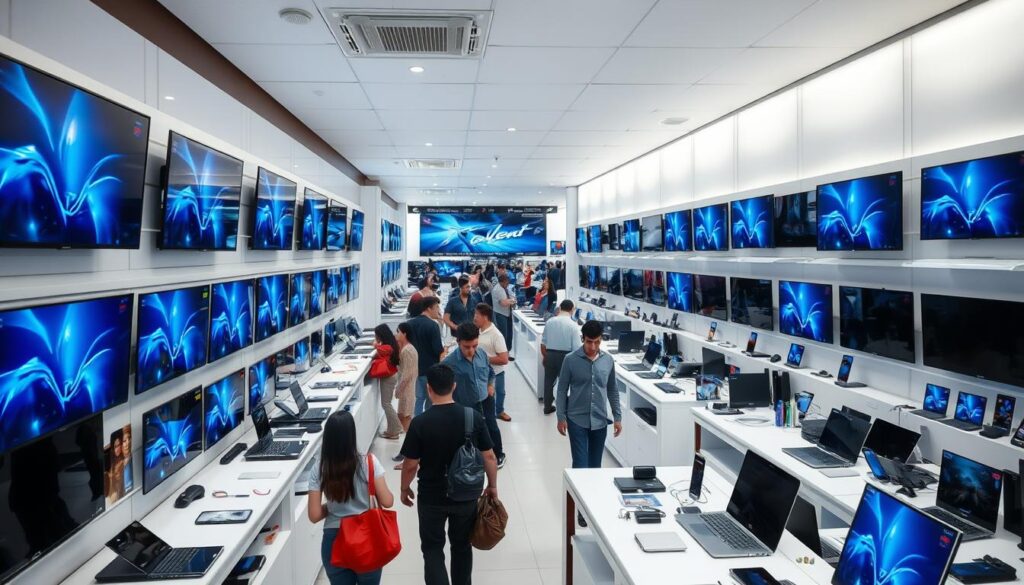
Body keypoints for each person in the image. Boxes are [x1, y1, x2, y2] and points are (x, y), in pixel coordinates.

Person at [400, 364, 499, 585]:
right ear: (454, 386)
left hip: (431, 496)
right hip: (465, 495)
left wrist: (404, 488)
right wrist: (492, 485)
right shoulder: (472, 417)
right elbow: (490, 456)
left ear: (428, 388)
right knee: (462, 545)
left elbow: (410, 465)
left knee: (433, 548)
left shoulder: (420, 423)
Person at [308, 411, 394, 585]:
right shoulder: (369, 462)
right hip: (367, 538)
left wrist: (331, 507)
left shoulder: (320, 467)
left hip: (334, 539)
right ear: (352, 435)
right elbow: (387, 501)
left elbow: (314, 515)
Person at [556, 320, 621, 481]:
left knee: (595, 466)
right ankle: (577, 504)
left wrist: (617, 417)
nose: (593, 347)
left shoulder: (608, 360)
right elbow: (562, 389)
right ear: (582, 338)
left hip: (600, 420)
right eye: (589, 342)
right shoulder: (570, 360)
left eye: (597, 342)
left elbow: (612, 389)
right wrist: (561, 416)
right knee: (580, 465)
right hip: (576, 419)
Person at [442, 323, 505, 468]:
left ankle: (498, 454)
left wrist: (490, 385)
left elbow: (490, 372)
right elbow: (441, 386)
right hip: (465, 404)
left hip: (486, 399)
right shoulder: (449, 363)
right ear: (458, 342)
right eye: (467, 347)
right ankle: (472, 458)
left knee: (492, 427)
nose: (471, 350)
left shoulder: (482, 354)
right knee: (469, 432)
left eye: (474, 346)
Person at [406, 296, 445, 416]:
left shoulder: (409, 324)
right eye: (436, 307)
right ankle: (428, 421)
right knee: (430, 398)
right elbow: (437, 349)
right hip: (430, 368)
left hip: (414, 368)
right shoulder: (433, 326)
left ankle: (417, 422)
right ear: (429, 308)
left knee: (418, 398)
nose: (438, 311)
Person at [541, 300, 581, 414]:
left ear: (560, 308)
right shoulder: (573, 325)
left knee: (548, 381)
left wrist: (545, 356)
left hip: (550, 354)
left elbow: (543, 343)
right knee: (565, 384)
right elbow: (577, 348)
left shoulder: (550, 322)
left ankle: (547, 407)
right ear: (572, 310)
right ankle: (565, 408)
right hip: (565, 357)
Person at [474, 303, 511, 423]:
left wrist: (483, 358)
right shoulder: (477, 331)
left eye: (477, 315)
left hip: (495, 373)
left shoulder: (496, 335)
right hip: (480, 373)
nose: (474, 317)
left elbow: (504, 359)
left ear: (485, 317)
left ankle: (499, 412)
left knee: (499, 394)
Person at [373, 324, 402, 440]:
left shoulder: (387, 347)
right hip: (392, 375)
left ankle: (395, 429)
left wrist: (374, 344)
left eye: (376, 335)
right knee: (387, 403)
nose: (375, 337)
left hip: (388, 377)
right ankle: (392, 430)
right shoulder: (391, 343)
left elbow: (377, 349)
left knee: (386, 404)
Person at [491, 273, 515, 350]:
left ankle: (506, 350)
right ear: (503, 281)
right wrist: (512, 301)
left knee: (508, 333)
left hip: (506, 313)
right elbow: (504, 303)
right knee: (503, 334)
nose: (507, 285)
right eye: (507, 283)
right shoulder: (498, 289)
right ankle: (502, 351)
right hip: (501, 314)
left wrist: (510, 300)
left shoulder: (503, 288)